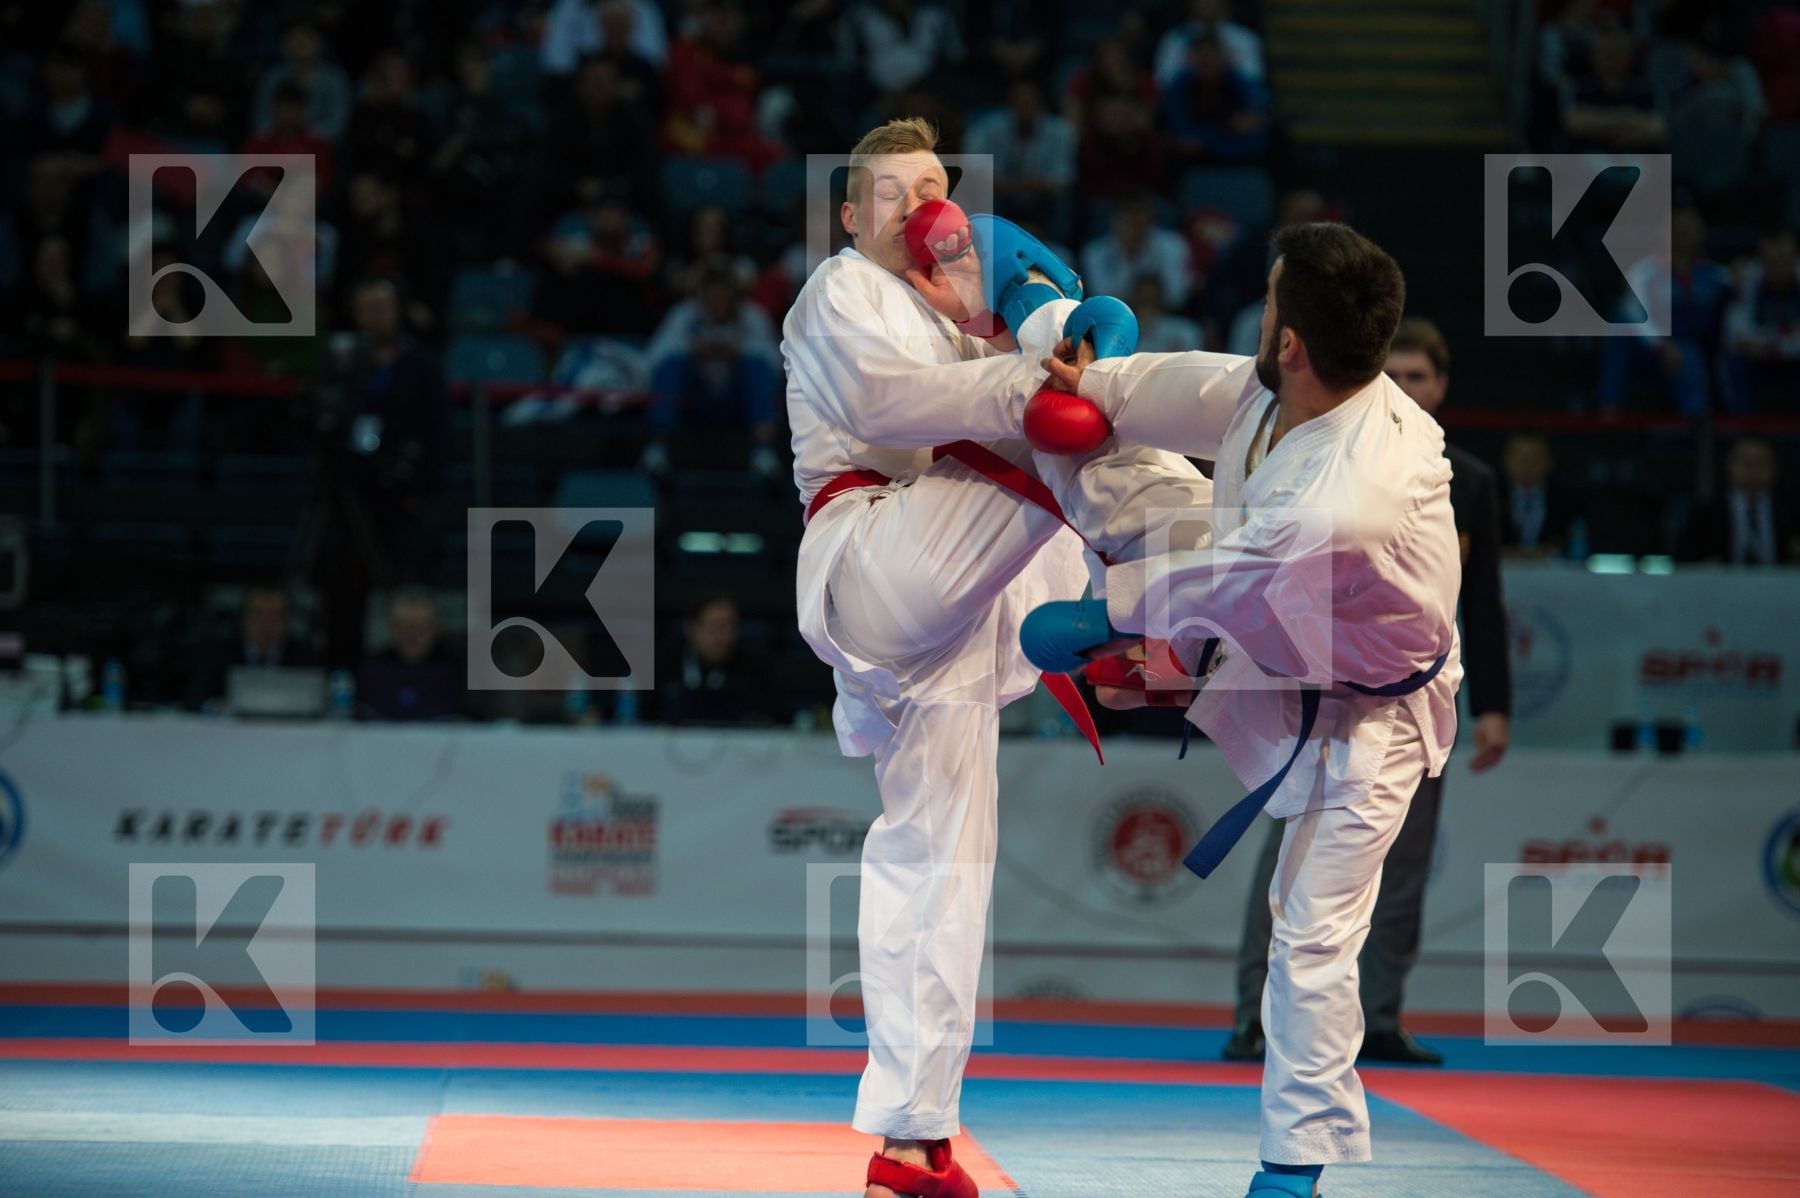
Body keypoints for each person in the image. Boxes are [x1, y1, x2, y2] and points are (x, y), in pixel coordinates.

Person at [782, 116, 1212, 1198]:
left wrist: (1042, 339)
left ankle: (913, 1138)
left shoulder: (962, 313)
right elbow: (884, 404)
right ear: (851, 216)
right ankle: (1199, 559)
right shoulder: (839, 290)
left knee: (940, 869)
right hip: (873, 554)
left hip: (959, 622)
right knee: (1069, 409)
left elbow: (1024, 394)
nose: (915, 206)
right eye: (889, 192)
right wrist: (1039, 363)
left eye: (931, 185)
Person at [1025, 222, 1462, 1197]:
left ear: (1292, 341)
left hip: (1367, 716)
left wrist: (1105, 617)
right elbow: (1203, 391)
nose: (1257, 318)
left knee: (1308, 934)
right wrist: (1097, 379)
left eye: (1268, 305)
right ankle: (1031, 316)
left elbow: (1225, 578)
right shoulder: (1294, 389)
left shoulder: (1346, 495)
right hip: (1286, 638)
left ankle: (1292, 1169)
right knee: (1100, 457)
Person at [1222, 317, 1510, 1068]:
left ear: (1440, 387)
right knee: (1290, 850)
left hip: (1415, 694)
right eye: (1397, 376)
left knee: (1405, 862)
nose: (1408, 388)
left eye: (1421, 377)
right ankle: (1256, 1015)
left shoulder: (1466, 480)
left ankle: (1378, 1015)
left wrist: (1494, 707)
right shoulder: (1326, 461)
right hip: (1316, 683)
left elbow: (1481, 600)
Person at [656, 595, 784, 725]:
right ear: (690, 628)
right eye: (715, 627)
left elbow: (772, 719)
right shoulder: (662, 665)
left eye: (731, 627)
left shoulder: (756, 669)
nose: (725, 636)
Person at [186, 588, 318, 710]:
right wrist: (214, 705)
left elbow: (319, 699)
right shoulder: (219, 651)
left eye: (275, 617)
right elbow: (194, 696)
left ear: (287, 621)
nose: (266, 624)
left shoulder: (304, 654)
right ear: (243, 618)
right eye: (258, 615)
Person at [1678, 438, 1798, 566]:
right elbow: (1682, 559)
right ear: (1729, 465)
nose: (1752, 470)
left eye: (1760, 463)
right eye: (1745, 463)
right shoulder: (1706, 512)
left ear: (1774, 467)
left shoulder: (1792, 512)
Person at [1499, 432, 1579, 557]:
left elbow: (1575, 540)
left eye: (1534, 458)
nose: (1527, 465)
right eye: (1521, 458)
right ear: (1506, 460)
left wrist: (1550, 551)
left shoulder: (1567, 499)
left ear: (1549, 460)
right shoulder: (1491, 497)